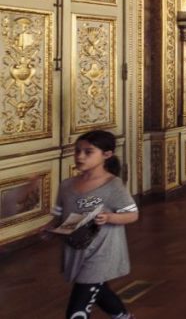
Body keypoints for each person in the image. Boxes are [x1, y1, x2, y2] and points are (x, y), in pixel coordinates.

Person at [49, 130, 138, 319]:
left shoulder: (113, 186)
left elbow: (132, 215)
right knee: (99, 291)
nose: (80, 156)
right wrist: (49, 229)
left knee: (76, 311)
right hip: (76, 251)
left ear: (106, 155)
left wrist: (110, 218)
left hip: (101, 254)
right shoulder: (66, 185)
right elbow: (59, 216)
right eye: (77, 151)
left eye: (88, 152)